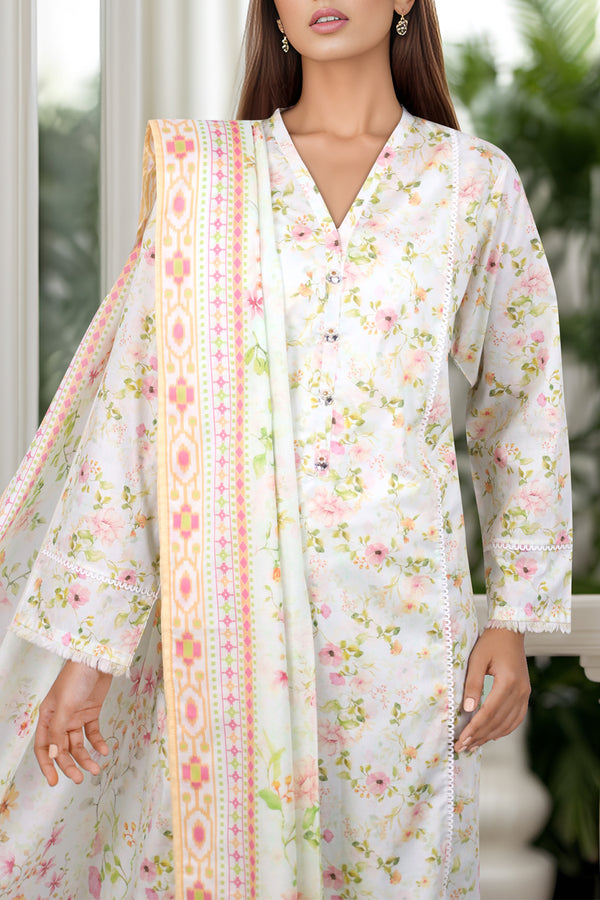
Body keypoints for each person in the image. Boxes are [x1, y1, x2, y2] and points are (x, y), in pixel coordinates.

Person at [0, 1, 572, 898]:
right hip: (223, 629)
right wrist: (89, 655)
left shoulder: (472, 183)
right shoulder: (209, 183)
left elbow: (522, 408)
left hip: (401, 636)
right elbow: (134, 422)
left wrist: (511, 618)